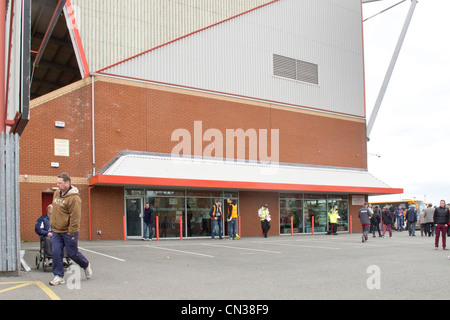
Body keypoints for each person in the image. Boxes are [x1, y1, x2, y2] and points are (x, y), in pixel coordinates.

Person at [49, 173, 92, 286]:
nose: (57, 185)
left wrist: (71, 232)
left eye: (60, 183)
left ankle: (86, 264)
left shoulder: (74, 199)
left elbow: (75, 217)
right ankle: (58, 276)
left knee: (72, 254)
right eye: (57, 182)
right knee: (56, 252)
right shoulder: (56, 193)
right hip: (56, 230)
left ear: (67, 183)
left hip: (68, 231)